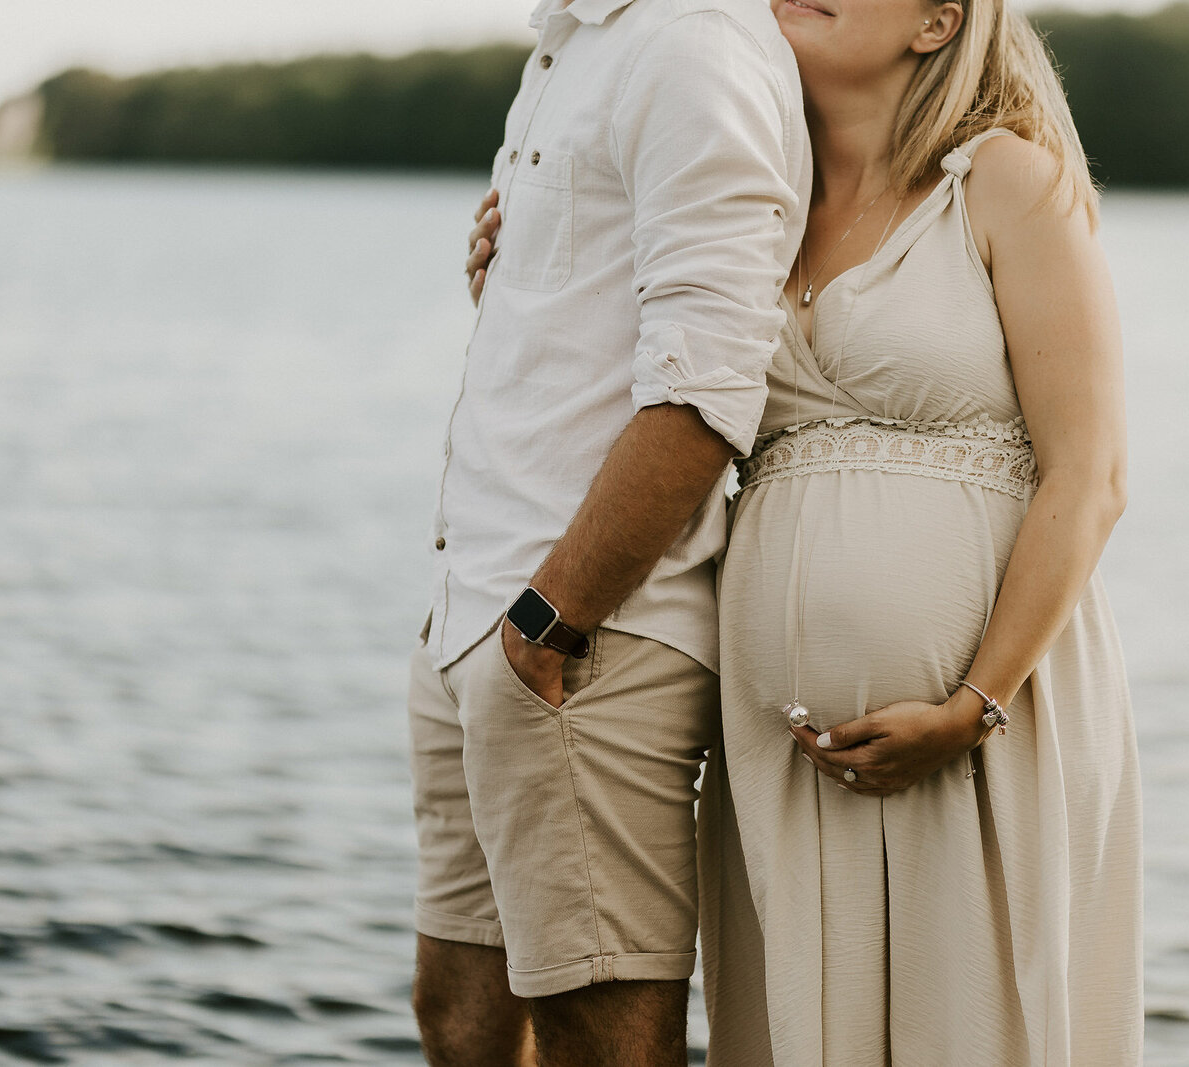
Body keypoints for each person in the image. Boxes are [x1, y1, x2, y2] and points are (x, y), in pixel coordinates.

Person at [696, 0, 1143, 1061]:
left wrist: (971, 705)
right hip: (781, 748)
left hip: (983, 725)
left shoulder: (1005, 180)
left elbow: (1092, 476)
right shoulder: (751, 199)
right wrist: (512, 255)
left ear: (937, 23)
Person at [408, 0, 809, 1059]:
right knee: (458, 1017)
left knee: (600, 1038)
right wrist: (508, 282)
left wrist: (550, 619)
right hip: (477, 608)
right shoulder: (571, 43)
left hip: (580, 640)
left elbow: (708, 381)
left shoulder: (693, 43)